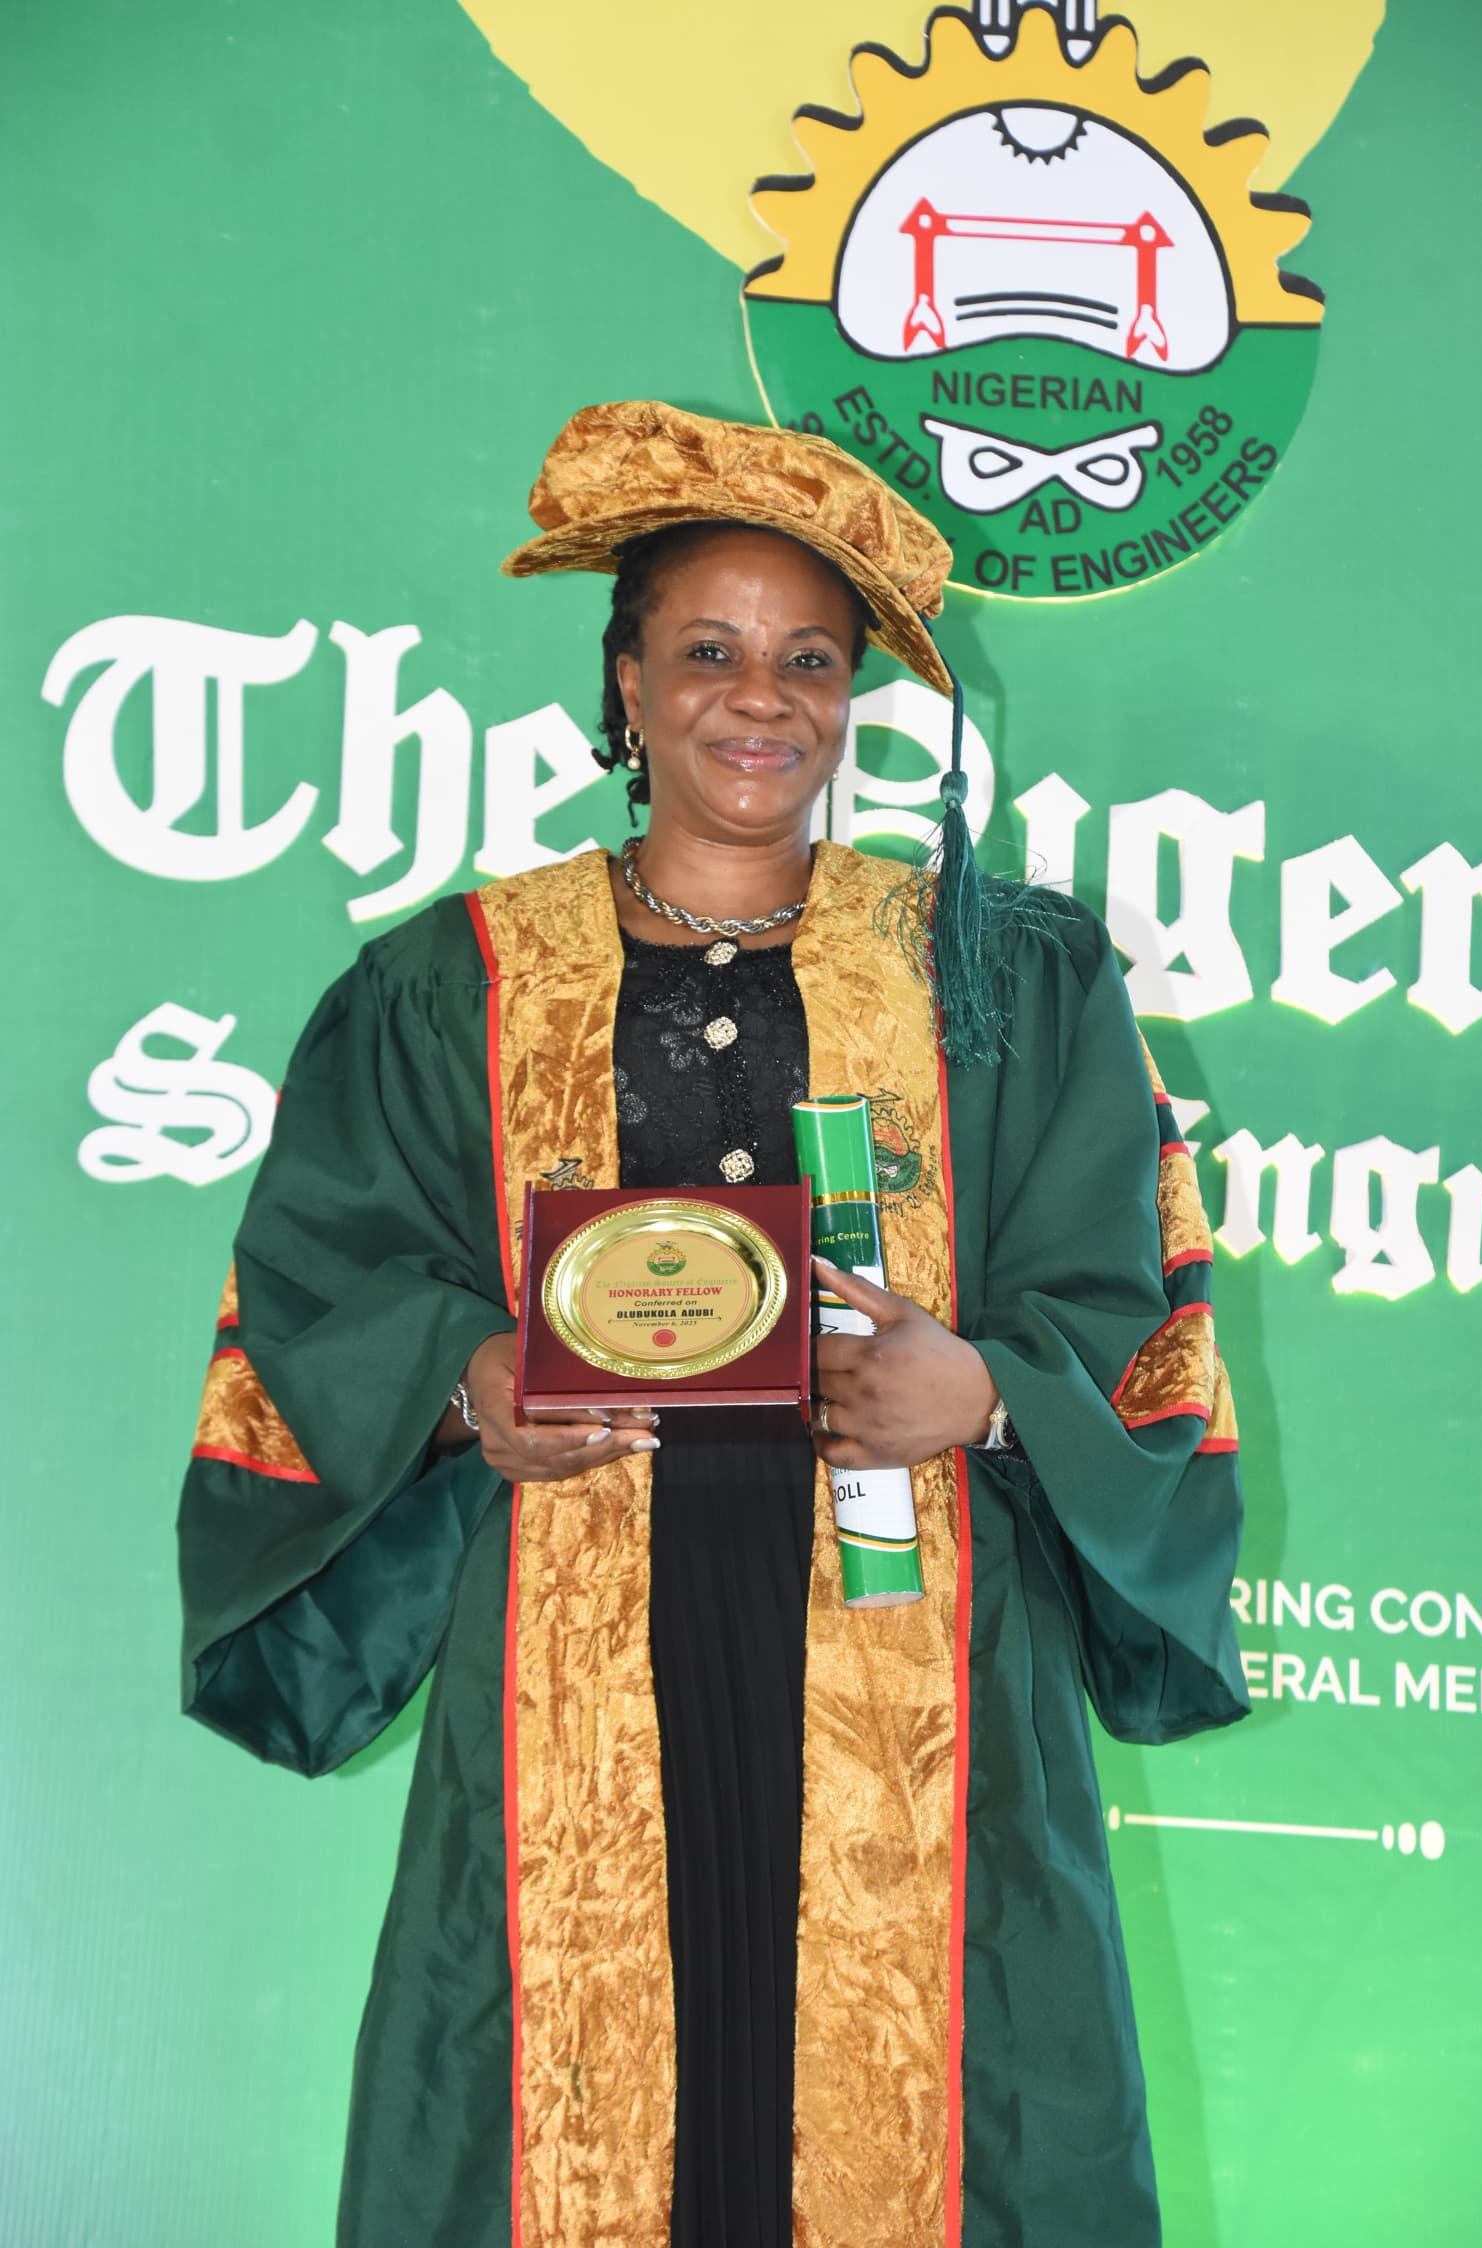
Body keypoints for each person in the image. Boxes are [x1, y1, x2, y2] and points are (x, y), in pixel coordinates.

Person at [177, 399, 1249, 2248]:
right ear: (626, 682)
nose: (763, 700)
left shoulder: (1008, 977)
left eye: (809, 660)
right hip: (577, 1653)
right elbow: (316, 1287)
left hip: (917, 1658)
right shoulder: (457, 981)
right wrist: (462, 1382)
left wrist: (987, 1392)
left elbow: (1131, 1312)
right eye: (709, 652)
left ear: (857, 696)